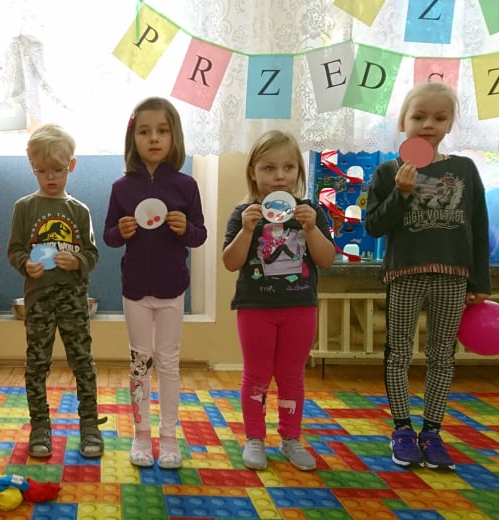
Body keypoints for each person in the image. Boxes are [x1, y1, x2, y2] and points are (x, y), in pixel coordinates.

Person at [365, 81, 491, 470]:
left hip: (453, 276)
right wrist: (400, 193)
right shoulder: (388, 171)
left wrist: (480, 282)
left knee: (442, 356)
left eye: (439, 117)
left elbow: (479, 225)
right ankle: (402, 429)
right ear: (403, 121)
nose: (428, 125)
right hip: (405, 274)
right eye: (419, 116)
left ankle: (432, 431)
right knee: (399, 353)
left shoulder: (464, 169)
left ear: (450, 124)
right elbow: (373, 226)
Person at [221, 130, 335, 472]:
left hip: (300, 308)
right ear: (253, 172)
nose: (280, 175)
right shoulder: (244, 214)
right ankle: (255, 438)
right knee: (256, 374)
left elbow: (326, 260)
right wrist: (246, 230)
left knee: (291, 375)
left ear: (299, 170)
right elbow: (230, 262)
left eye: (288, 167)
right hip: (255, 309)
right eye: (269, 168)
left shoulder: (311, 212)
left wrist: (312, 229)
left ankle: (290, 438)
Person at [103, 97, 206, 469]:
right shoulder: (121, 188)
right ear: (133, 139)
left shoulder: (186, 185)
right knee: (139, 362)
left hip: (172, 287)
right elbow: (109, 236)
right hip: (135, 288)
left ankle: (169, 437)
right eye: (145, 131)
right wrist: (121, 229)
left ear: (173, 136)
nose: (154, 138)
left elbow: (199, 235)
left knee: (169, 362)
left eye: (162, 130)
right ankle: (141, 434)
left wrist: (184, 228)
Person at [7, 123, 104, 460]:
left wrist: (77, 261)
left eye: (58, 170)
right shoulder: (24, 207)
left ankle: (89, 424)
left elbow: (92, 254)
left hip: (73, 297)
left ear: (71, 166)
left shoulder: (79, 210)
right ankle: (40, 426)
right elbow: (14, 250)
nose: (50, 177)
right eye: (42, 170)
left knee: (82, 362)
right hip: (38, 299)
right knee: (37, 364)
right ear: (32, 167)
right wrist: (26, 264)